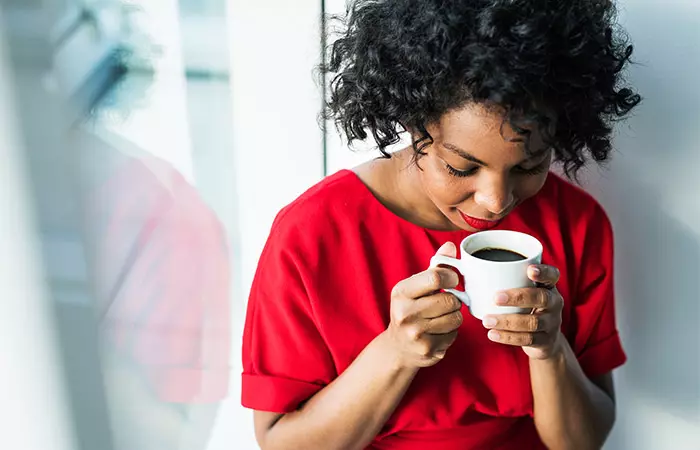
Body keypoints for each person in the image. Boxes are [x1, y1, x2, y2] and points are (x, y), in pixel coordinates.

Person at [241, 0, 640, 449]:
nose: (496, 201)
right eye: (461, 167)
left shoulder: (577, 223)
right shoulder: (312, 234)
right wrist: (395, 352)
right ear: (414, 124)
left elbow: (582, 442)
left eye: (528, 166)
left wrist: (549, 350)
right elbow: (281, 442)